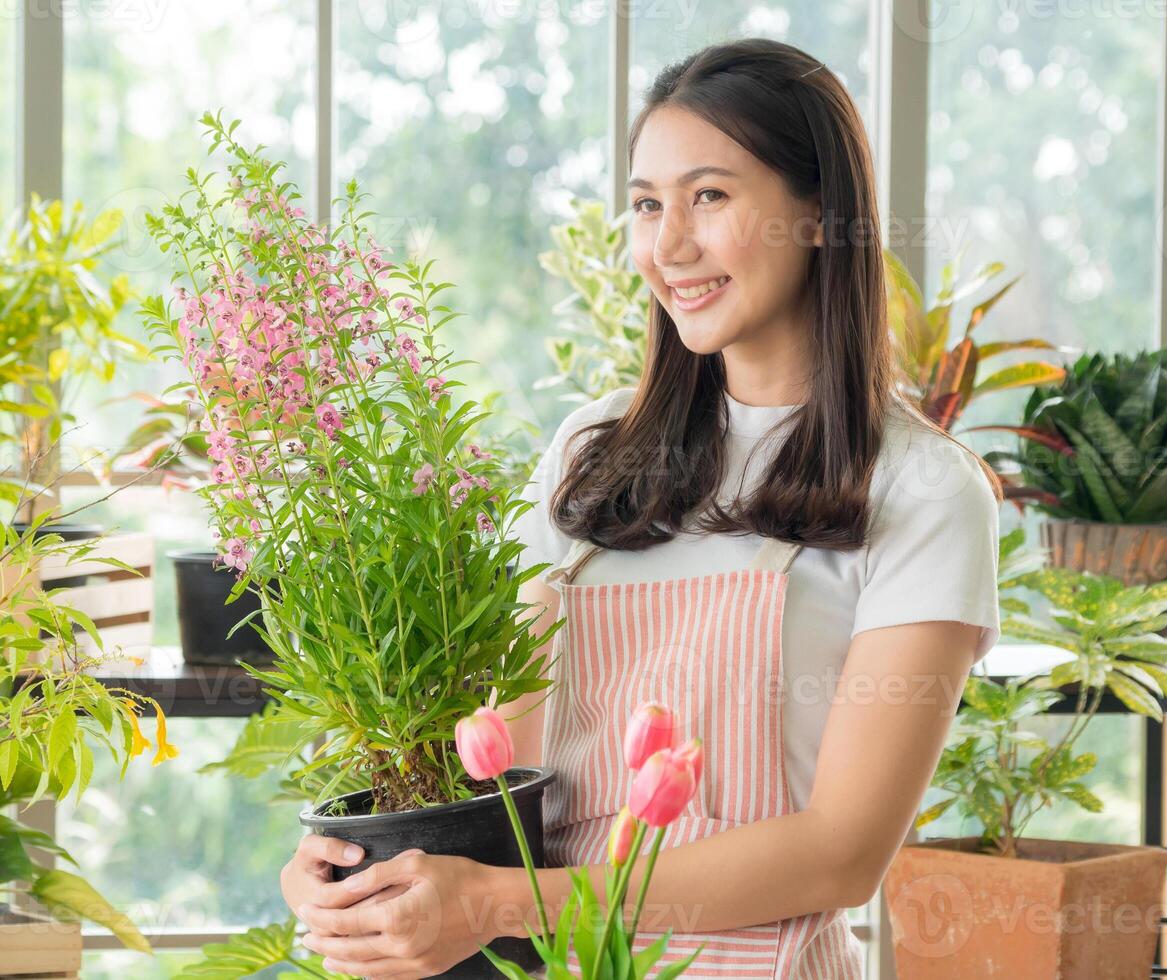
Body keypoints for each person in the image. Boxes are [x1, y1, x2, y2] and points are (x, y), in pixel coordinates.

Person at [280, 36, 1002, 979]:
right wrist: (351, 862)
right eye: (646, 203)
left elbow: (841, 853)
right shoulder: (593, 453)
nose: (667, 248)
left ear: (821, 215)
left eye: (709, 196)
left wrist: (500, 902)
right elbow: (491, 762)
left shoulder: (921, 487)